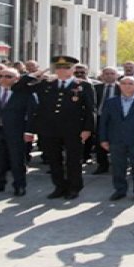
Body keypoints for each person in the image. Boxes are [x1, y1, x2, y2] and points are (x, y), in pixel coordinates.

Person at [31, 56, 96, 200]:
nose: (61, 70)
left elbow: (90, 109)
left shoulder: (83, 85)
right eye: (58, 67)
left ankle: (74, 187)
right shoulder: (46, 84)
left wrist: (87, 129)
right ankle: (59, 186)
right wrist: (35, 75)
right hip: (50, 129)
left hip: (73, 129)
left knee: (73, 160)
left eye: (66, 67)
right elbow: (19, 88)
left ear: (73, 69)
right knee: (54, 160)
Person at [0, 67, 38, 197]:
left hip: (16, 131)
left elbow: (32, 114)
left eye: (8, 77)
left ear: (17, 79)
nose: (3, 79)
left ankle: (19, 185)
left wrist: (29, 131)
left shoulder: (25, 93)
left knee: (17, 160)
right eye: (0, 76)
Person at [98, 76, 134, 202]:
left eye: (130, 83)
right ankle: (120, 190)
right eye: (123, 83)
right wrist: (103, 139)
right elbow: (103, 122)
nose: (127, 86)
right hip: (116, 141)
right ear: (119, 86)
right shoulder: (111, 102)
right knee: (118, 168)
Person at [91, 66, 120, 174]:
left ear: (117, 75)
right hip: (100, 118)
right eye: (106, 73)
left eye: (112, 73)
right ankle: (102, 165)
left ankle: (118, 165)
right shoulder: (95, 87)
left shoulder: (122, 87)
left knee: (117, 142)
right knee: (100, 142)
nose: (109, 75)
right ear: (102, 76)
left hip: (117, 119)